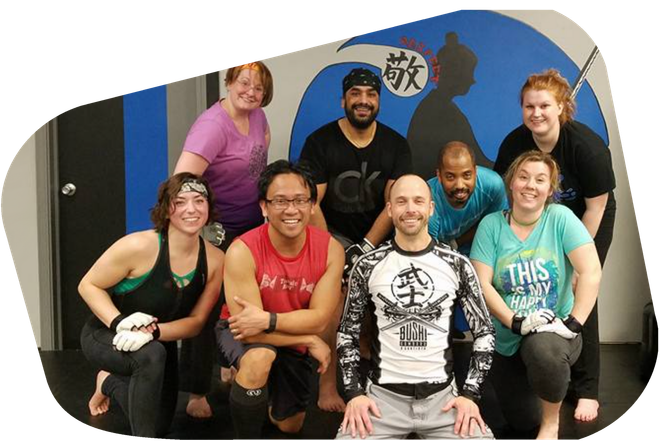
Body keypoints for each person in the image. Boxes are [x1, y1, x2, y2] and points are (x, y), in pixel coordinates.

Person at [493, 69, 616, 422]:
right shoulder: (515, 145)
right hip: (538, 217)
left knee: (579, 291)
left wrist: (576, 264)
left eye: (544, 105)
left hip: (587, 217)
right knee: (540, 285)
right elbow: (510, 196)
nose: (536, 113)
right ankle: (543, 370)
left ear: (561, 107)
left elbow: (597, 205)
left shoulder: (586, 147)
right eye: (529, 106)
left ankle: (587, 390)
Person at [337, 174, 496, 440]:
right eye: (401, 201)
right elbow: (347, 334)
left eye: (418, 201)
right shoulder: (367, 266)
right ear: (389, 209)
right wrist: (354, 394)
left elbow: (485, 333)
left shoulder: (457, 264)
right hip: (380, 401)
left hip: (444, 400)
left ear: (431, 208)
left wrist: (470, 394)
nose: (410, 209)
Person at [299, 67, 412, 411]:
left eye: (370, 95)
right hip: (329, 236)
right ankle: (327, 387)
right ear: (344, 100)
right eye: (356, 94)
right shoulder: (320, 142)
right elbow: (310, 202)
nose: (363, 101)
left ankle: (386, 370)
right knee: (334, 297)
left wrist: (365, 248)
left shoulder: (395, 144)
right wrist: (336, 253)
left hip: (377, 238)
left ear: (378, 100)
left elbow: (394, 204)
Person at [78, 173, 224, 438]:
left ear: (209, 207)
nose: (191, 209)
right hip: (106, 334)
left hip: (156, 340)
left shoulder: (215, 259)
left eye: (199, 201)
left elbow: (196, 323)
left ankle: (108, 382)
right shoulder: (137, 246)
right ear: (166, 209)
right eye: (180, 202)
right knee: (151, 356)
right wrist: (119, 321)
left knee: (158, 422)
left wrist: (152, 333)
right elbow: (88, 285)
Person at [471, 151, 602, 440]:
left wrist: (572, 324)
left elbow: (591, 271)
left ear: (550, 189)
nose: (531, 185)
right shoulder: (491, 225)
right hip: (507, 335)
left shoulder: (560, 218)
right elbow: (482, 284)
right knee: (521, 422)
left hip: (551, 331)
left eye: (540, 180)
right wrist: (515, 321)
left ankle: (552, 421)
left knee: (544, 352)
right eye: (524, 177)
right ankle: (541, 389)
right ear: (511, 183)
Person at [216, 160, 345, 439]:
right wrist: (308, 340)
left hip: (288, 331)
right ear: (264, 207)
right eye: (280, 201)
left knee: (290, 425)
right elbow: (248, 330)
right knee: (259, 357)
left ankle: (257, 395)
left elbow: (320, 317)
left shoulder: (331, 251)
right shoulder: (242, 250)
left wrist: (270, 319)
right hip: (242, 331)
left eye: (300, 200)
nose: (291, 210)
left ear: (312, 205)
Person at [173, 60, 273, 417]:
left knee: (244, 300)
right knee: (208, 304)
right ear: (229, 83)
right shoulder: (212, 127)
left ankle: (231, 363)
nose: (251, 92)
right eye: (244, 83)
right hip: (218, 229)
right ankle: (197, 391)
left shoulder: (257, 115)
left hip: (250, 226)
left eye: (258, 88)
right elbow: (182, 179)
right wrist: (199, 226)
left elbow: (259, 159)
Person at [428, 141, 508, 334]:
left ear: (476, 171)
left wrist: (460, 243)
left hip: (476, 247)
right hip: (437, 254)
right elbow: (428, 258)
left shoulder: (493, 185)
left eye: (466, 175)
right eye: (450, 177)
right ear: (438, 175)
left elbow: (496, 227)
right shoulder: (428, 199)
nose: (459, 185)